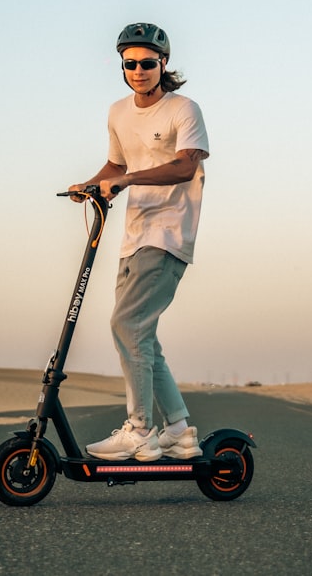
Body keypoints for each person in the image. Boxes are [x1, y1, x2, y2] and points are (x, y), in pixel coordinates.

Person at [67, 23, 209, 462]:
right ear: (122, 67)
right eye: (131, 64)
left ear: (163, 64)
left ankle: (140, 430)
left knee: (126, 327)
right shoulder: (117, 112)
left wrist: (126, 180)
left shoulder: (183, 109)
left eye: (148, 63)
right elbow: (116, 163)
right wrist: (90, 185)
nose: (139, 70)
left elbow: (185, 167)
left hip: (168, 232)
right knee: (141, 334)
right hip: (132, 235)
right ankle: (180, 430)